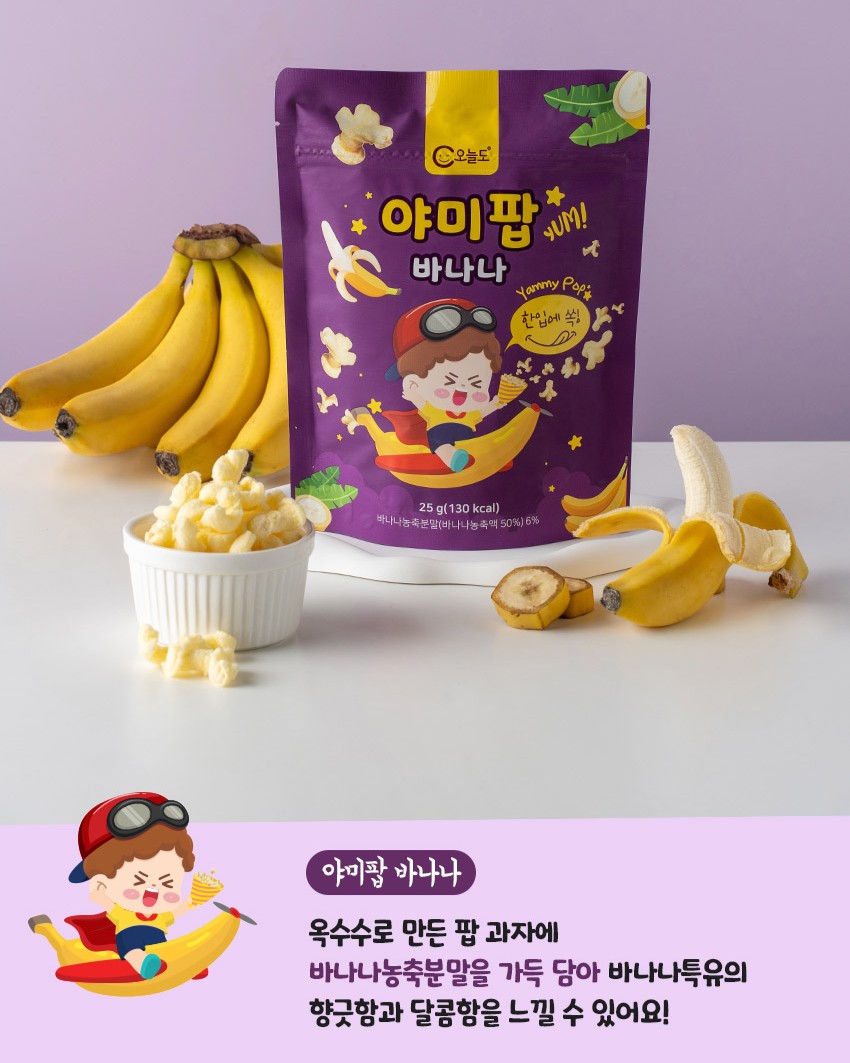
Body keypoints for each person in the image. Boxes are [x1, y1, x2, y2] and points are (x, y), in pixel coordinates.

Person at [63, 792, 196, 979]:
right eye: (139, 881)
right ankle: (142, 964)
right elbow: (104, 901)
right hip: (130, 937)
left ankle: (185, 964)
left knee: (167, 950)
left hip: (157, 937)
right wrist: (98, 896)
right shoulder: (122, 914)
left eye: (168, 883)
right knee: (132, 951)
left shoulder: (160, 917)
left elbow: (177, 912)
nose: (154, 889)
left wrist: (193, 900)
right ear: (101, 883)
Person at [385, 299, 504, 471]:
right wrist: (413, 395)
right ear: (412, 382)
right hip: (441, 433)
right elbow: (422, 404)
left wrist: (495, 404)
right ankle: (450, 457)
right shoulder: (434, 412)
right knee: (441, 443)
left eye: (476, 383)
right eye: (449, 381)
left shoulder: (469, 414)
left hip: (468, 439)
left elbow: (482, 412)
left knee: (474, 445)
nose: (462, 390)